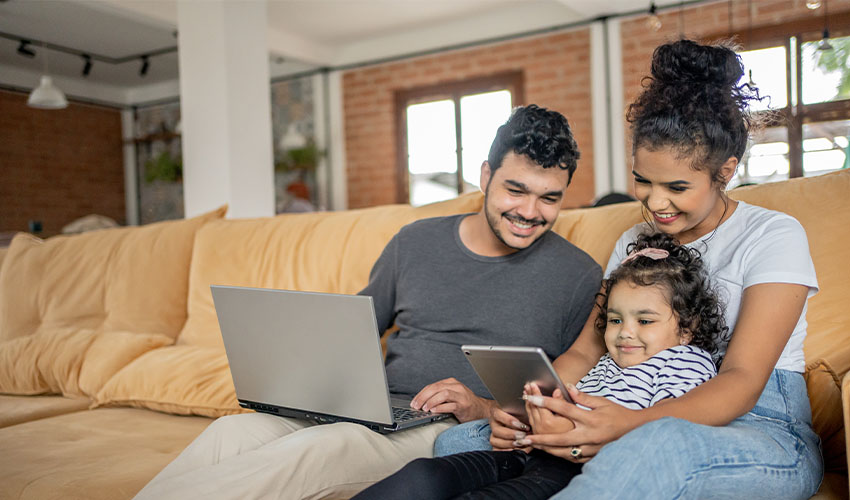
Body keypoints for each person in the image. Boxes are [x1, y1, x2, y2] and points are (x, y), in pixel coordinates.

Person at [133, 104, 603, 500]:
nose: (528, 212)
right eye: (515, 190)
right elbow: (355, 328)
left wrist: (479, 407)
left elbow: (564, 395)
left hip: (445, 431)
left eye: (549, 199)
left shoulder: (579, 276)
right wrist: (301, 376)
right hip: (371, 409)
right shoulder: (415, 242)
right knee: (229, 433)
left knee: (316, 451)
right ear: (485, 176)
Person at [439, 39, 824, 499]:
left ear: (725, 171)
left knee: (654, 446)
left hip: (759, 424)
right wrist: (535, 408)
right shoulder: (633, 242)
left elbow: (741, 380)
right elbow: (584, 354)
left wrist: (629, 425)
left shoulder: (773, 235)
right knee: (457, 441)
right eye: (643, 180)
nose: (656, 203)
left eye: (677, 187)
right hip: (632, 399)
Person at [353, 232, 725, 500]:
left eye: (644, 321)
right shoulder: (608, 364)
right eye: (614, 320)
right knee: (424, 475)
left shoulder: (684, 361)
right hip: (531, 453)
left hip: (576, 470)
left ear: (687, 328)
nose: (625, 333)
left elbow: (666, 436)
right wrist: (527, 416)